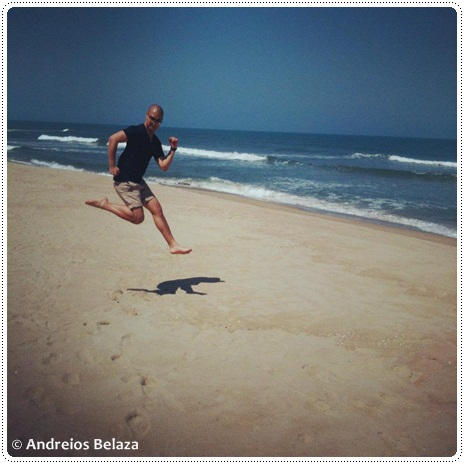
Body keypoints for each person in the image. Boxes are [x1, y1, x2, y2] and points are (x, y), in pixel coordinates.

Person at [85, 104, 192, 255]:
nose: (153, 123)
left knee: (157, 210)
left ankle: (173, 245)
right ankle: (105, 204)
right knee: (138, 218)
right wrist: (111, 165)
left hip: (138, 181)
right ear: (146, 115)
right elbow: (113, 139)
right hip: (125, 181)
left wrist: (173, 150)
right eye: (152, 118)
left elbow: (163, 166)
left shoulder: (154, 142)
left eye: (158, 121)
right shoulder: (136, 131)